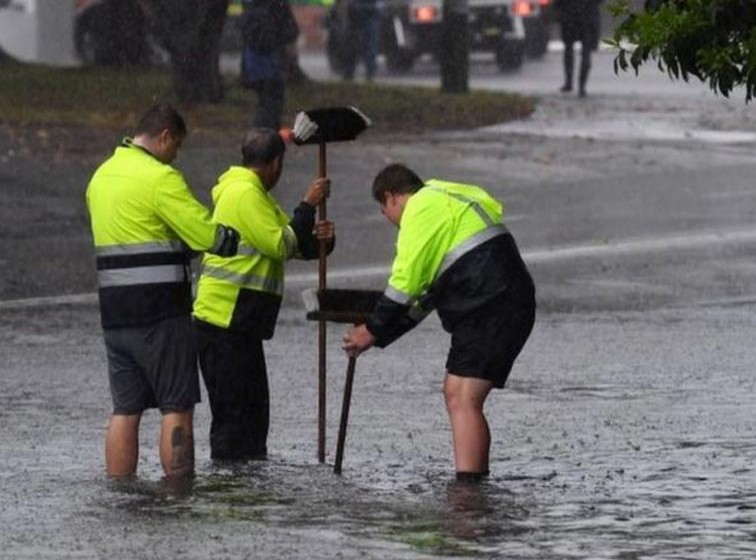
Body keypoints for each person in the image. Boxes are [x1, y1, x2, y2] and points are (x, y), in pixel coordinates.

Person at [342, 164, 535, 481]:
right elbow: (422, 301)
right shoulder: (448, 196)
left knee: (463, 397)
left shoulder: (420, 210)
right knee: (458, 392)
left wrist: (371, 329)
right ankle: (473, 483)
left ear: (392, 197)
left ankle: (469, 491)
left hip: (487, 302)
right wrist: (377, 337)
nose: (386, 218)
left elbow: (403, 284)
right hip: (504, 298)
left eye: (383, 209)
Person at [85, 104, 240, 479]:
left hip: (115, 313)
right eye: (177, 147)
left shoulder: (101, 177)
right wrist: (227, 238)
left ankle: (120, 487)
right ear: (166, 135)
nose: (176, 155)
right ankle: (178, 488)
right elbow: (204, 233)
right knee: (177, 404)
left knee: (125, 407)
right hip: (160, 313)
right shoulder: (159, 178)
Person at [192, 128, 334, 461]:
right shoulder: (244, 194)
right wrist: (307, 205)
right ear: (275, 163)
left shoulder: (255, 195)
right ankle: (230, 489)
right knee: (235, 417)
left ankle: (247, 488)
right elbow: (282, 244)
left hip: (242, 323)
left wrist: (323, 241)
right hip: (223, 321)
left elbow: (294, 240)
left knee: (253, 414)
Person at [240, 0, 300, 129]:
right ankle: (268, 136)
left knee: (264, 101)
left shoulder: (250, 4)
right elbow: (291, 31)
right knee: (273, 103)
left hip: (253, 62)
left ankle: (261, 134)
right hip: (273, 62)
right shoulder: (278, 5)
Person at [556, 0, 602, 97]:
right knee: (586, 51)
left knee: (569, 49)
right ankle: (581, 87)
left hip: (570, 14)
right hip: (588, 16)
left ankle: (569, 82)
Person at [341, 0, 382, 81]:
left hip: (364, 16)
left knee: (364, 47)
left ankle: (366, 74)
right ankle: (366, 73)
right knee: (357, 47)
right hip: (363, 16)